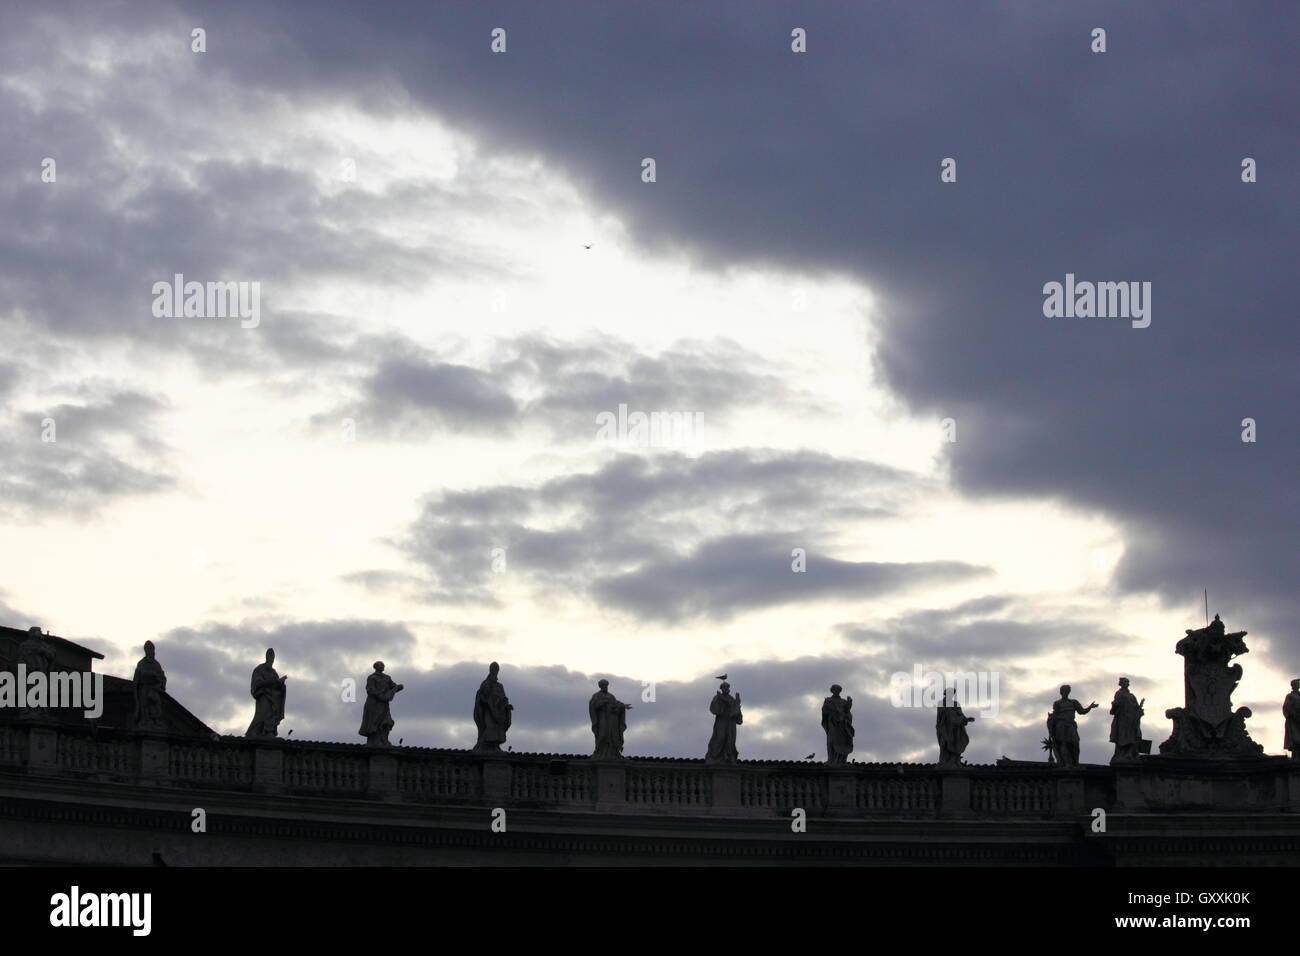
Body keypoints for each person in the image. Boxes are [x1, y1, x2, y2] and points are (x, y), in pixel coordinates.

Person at [1049, 684, 1097, 768]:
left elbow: (1082, 711)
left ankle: (1075, 763)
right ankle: (1067, 764)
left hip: (1071, 725)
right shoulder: (1057, 703)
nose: (1066, 692)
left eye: (1067, 691)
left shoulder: (1073, 702)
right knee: (1064, 744)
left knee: (1075, 743)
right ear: (1061, 692)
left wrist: (1090, 707)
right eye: (1064, 691)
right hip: (1061, 725)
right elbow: (1055, 716)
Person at [246, 648, 288, 738]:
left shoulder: (274, 672)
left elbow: (276, 685)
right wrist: (273, 682)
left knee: (271, 715)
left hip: (274, 698)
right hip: (264, 695)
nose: (271, 658)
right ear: (266, 656)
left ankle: (268, 731)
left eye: (273, 656)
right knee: (261, 715)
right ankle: (253, 733)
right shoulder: (260, 669)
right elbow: (258, 683)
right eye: (270, 656)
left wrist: (281, 684)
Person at [359, 661, 403, 746]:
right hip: (374, 703)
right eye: (381, 665)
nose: (383, 666)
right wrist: (380, 696)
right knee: (374, 721)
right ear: (376, 667)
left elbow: (393, 686)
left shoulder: (387, 678)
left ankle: (384, 740)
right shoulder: (372, 678)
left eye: (383, 665)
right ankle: (374, 741)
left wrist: (398, 687)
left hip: (384, 704)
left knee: (387, 721)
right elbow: (370, 690)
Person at [473, 662, 513, 752]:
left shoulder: (499, 686)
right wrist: (487, 700)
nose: (495, 671)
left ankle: (495, 746)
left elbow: (503, 697)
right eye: (493, 669)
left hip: (499, 711)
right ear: (490, 670)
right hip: (489, 710)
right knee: (490, 728)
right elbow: (481, 696)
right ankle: (486, 746)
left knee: (498, 729)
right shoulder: (486, 683)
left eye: (496, 669)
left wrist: (505, 705)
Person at [589, 679, 630, 759]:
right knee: (602, 734)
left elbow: (616, 704)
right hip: (603, 717)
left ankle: (614, 752)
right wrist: (602, 702)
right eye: (604, 685)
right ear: (600, 686)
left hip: (612, 718)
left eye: (606, 685)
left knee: (613, 735)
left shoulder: (611, 696)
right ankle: (599, 752)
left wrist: (623, 706)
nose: (605, 687)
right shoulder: (596, 696)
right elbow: (593, 706)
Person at [132, 641, 167, 730]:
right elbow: (139, 677)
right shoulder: (141, 663)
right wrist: (151, 674)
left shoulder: (157, 664)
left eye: (152, 649)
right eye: (149, 649)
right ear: (146, 650)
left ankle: (157, 722)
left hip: (154, 689)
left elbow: (162, 677)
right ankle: (146, 721)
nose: (151, 651)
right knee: (145, 706)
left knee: (156, 707)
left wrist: (160, 682)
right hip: (144, 688)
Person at [1108, 677, 1144, 763]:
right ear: (1121, 684)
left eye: (1128, 682)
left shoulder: (1132, 696)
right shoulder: (1119, 694)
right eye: (1125, 682)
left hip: (1131, 720)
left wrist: (1139, 708)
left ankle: (1130, 754)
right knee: (1123, 737)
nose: (1127, 684)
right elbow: (1115, 706)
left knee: (1132, 737)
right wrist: (1114, 705)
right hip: (1123, 720)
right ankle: (1122, 755)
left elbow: (1136, 707)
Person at [936, 687, 975, 765]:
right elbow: (940, 715)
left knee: (955, 743)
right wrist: (948, 711)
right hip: (945, 728)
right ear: (946, 694)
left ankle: (955, 761)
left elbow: (961, 715)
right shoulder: (941, 703)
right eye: (949, 693)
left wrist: (966, 719)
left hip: (956, 728)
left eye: (952, 693)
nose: (951, 695)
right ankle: (944, 761)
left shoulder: (956, 704)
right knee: (944, 744)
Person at [706, 681, 743, 763]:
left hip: (730, 722)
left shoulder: (732, 699)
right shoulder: (717, 697)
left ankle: (728, 756)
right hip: (721, 721)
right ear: (721, 689)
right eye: (724, 687)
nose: (726, 689)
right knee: (720, 737)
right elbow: (714, 708)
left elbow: (737, 712)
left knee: (730, 739)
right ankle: (715, 757)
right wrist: (721, 703)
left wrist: (737, 703)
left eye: (727, 687)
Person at [821, 684, 854, 764]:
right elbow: (825, 711)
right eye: (835, 690)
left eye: (838, 690)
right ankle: (831, 759)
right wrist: (832, 711)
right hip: (833, 724)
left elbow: (847, 712)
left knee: (843, 741)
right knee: (831, 741)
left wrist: (849, 704)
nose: (837, 691)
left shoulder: (843, 701)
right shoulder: (828, 700)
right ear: (832, 691)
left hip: (842, 725)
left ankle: (842, 760)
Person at [1284, 679, 1300, 760]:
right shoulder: (1290, 696)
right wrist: (1294, 715)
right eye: (1297, 684)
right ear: (1293, 686)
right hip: (1294, 720)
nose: (1298, 685)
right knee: (1296, 740)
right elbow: (1287, 707)